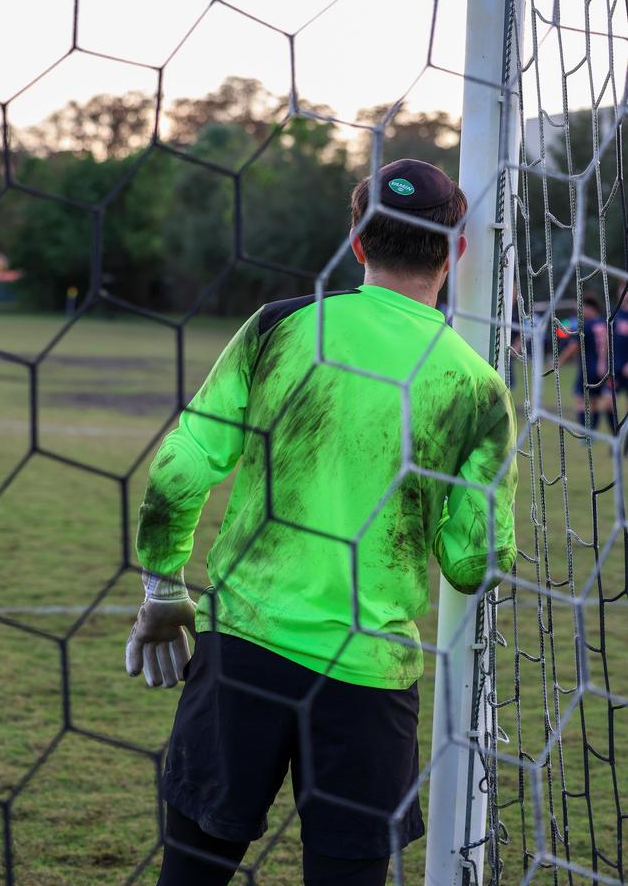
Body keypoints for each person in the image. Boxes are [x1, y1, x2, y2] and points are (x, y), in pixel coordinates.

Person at [125, 158, 518, 886]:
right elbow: (476, 563)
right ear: (456, 249)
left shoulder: (280, 325)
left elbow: (180, 468)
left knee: (192, 872)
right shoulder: (477, 385)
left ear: (358, 242)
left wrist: (162, 588)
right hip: (368, 678)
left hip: (243, 651)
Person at [557, 293, 611, 432]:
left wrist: (559, 362)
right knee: (594, 401)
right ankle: (592, 432)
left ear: (591, 308)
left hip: (588, 368)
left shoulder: (586, 325)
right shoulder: (603, 323)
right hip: (602, 368)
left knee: (579, 399)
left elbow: (573, 347)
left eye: (582, 308)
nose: (580, 312)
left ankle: (586, 433)